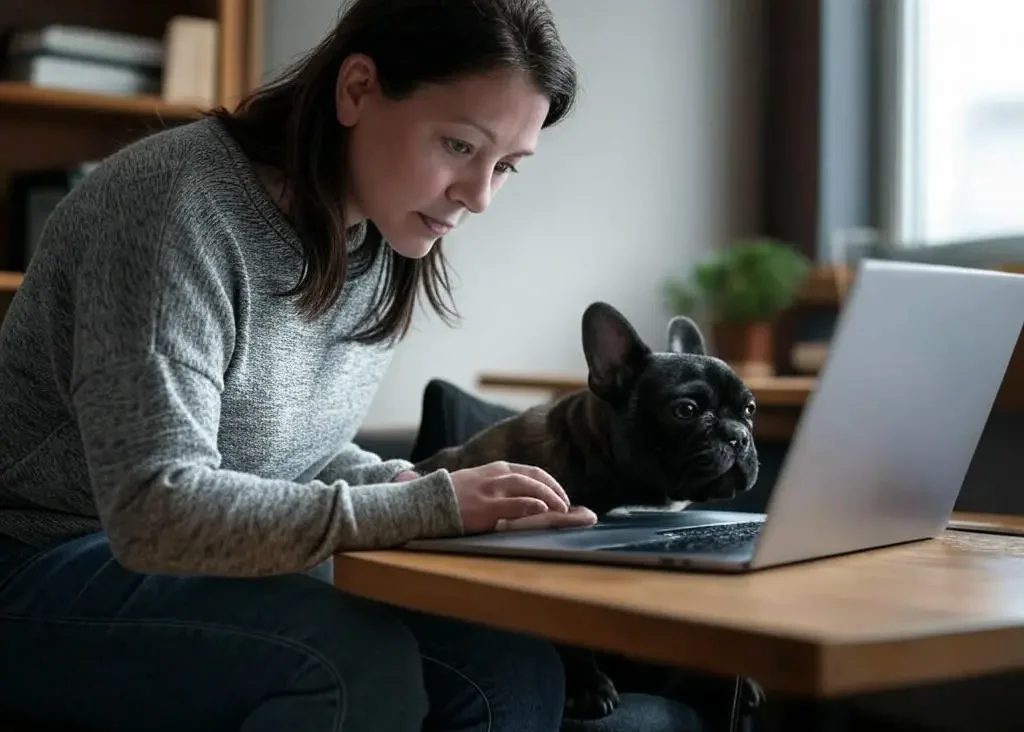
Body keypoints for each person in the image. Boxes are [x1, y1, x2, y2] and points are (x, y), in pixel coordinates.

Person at [0, 1, 705, 731]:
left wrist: (415, 486)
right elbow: (155, 511)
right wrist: (427, 506)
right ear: (358, 89)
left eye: (507, 166)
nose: (480, 196)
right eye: (461, 146)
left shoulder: (376, 240)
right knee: (343, 657)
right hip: (39, 560)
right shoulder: (172, 207)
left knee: (512, 661)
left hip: (195, 563)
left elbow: (293, 453)